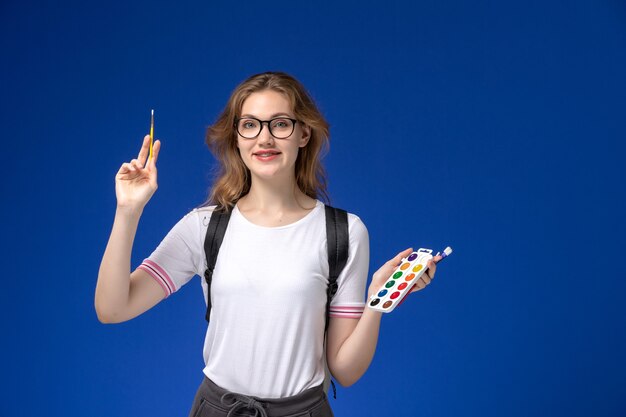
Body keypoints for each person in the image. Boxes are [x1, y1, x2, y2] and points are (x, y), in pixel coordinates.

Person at [95, 71, 441, 417]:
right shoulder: (203, 227)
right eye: (250, 125)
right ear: (236, 137)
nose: (264, 138)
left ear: (303, 133)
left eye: (279, 124)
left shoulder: (344, 232)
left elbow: (345, 371)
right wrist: (128, 211)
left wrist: (376, 304)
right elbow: (112, 309)